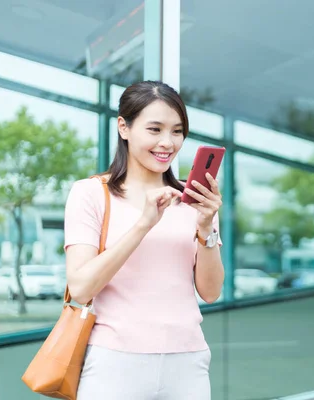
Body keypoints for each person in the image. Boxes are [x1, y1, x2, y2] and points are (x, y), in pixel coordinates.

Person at [63, 80, 224, 400]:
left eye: (177, 131)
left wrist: (206, 227)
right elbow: (81, 287)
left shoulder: (193, 200)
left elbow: (211, 291)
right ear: (124, 127)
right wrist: (144, 224)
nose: (168, 142)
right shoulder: (92, 193)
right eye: (155, 129)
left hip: (187, 361)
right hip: (115, 363)